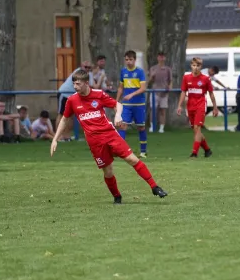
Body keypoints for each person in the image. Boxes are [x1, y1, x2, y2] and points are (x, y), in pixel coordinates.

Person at [50, 69, 168, 204]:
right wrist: (55, 139)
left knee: (132, 159)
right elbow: (65, 119)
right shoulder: (72, 100)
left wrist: (118, 115)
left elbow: (117, 104)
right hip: (95, 142)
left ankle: (154, 186)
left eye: (77, 84)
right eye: (74, 84)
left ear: (86, 83)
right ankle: (117, 197)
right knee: (108, 171)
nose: (75, 87)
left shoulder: (98, 94)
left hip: (110, 134)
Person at [177, 57, 219, 158]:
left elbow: (211, 93)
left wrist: (215, 107)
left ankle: (194, 153)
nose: (195, 68)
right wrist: (179, 105)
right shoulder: (186, 78)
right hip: (190, 106)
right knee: (196, 131)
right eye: (194, 65)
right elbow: (183, 92)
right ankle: (207, 150)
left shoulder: (205, 79)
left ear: (201, 67)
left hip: (200, 106)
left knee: (197, 128)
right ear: (191, 66)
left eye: (198, 66)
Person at [116, 50, 148, 158]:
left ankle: (143, 152)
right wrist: (116, 102)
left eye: (130, 59)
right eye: (126, 60)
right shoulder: (123, 71)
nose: (128, 62)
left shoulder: (140, 72)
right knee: (122, 126)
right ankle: (122, 152)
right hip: (126, 105)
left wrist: (132, 95)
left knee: (141, 127)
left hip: (139, 104)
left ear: (134, 60)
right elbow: (120, 88)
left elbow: (143, 88)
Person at [148, 51, 172, 133]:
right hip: (154, 92)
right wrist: (152, 76)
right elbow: (149, 81)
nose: (161, 58)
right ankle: (151, 127)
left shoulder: (168, 69)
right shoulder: (153, 68)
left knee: (163, 110)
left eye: (163, 57)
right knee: (153, 110)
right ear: (157, 58)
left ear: (164, 58)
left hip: (164, 93)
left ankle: (161, 128)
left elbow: (170, 81)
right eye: (160, 56)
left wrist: (170, 87)